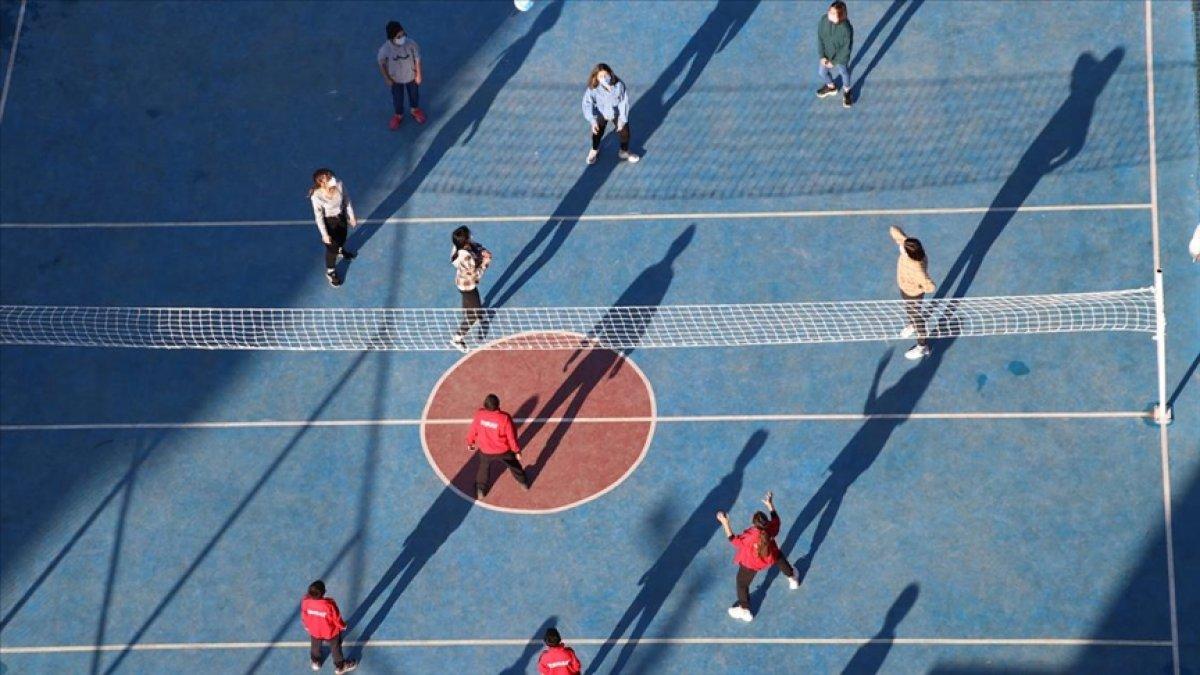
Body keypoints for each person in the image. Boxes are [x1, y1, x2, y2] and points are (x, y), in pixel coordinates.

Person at [716, 491, 800, 622]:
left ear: (754, 523)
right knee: (778, 556)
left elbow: (733, 540)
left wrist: (725, 523)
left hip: (752, 564)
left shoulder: (750, 535)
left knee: (742, 583)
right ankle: (792, 578)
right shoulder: (771, 528)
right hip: (769, 556)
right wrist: (770, 505)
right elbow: (777, 520)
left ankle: (744, 610)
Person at [466, 393, 529, 499]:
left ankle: (480, 490)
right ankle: (523, 483)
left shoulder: (479, 415)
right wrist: (517, 451)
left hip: (485, 450)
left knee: (483, 468)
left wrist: (470, 443)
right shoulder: (504, 418)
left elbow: (473, 430)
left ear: (485, 405)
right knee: (514, 465)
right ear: (498, 405)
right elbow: (511, 437)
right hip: (503, 451)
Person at [889, 225, 935, 360]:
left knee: (916, 316)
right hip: (904, 288)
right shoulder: (911, 248)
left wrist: (918, 288)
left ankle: (923, 346)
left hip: (913, 294)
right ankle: (912, 325)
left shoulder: (917, 269)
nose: (901, 248)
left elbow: (930, 287)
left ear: (910, 254)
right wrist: (904, 239)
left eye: (904, 248)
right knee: (910, 311)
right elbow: (893, 229)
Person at [582, 63, 640, 165]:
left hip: (616, 112)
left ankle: (624, 151)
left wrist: (622, 119)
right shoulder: (593, 88)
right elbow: (587, 103)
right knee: (597, 133)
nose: (604, 78)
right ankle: (594, 149)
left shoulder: (619, 85)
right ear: (596, 77)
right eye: (600, 76)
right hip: (601, 112)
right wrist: (592, 120)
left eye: (606, 75)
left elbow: (623, 102)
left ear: (610, 73)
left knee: (625, 133)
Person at [308, 169, 358, 287]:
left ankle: (340, 250)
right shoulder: (316, 196)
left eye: (331, 177)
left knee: (342, 238)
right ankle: (330, 272)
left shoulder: (339, 185)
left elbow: (347, 200)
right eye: (328, 178)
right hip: (328, 222)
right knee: (331, 249)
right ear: (321, 183)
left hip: (340, 217)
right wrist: (324, 234)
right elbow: (319, 217)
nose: (333, 179)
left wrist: (352, 216)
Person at [450, 226, 492, 352]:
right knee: (472, 315)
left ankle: (477, 313)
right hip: (467, 285)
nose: (472, 236)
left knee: (474, 300)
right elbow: (476, 276)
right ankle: (457, 338)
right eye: (469, 235)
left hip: (462, 282)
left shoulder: (458, 247)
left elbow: (475, 246)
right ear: (465, 240)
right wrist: (485, 262)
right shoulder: (467, 259)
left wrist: (482, 250)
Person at [300, 580, 357, 673]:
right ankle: (340, 666)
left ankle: (315, 662)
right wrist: (342, 626)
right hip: (330, 632)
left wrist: (307, 626)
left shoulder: (305, 601)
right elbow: (336, 618)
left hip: (314, 630)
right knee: (335, 647)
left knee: (315, 645)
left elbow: (304, 614)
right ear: (324, 592)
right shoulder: (329, 604)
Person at [378, 20, 425, 129]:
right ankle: (398, 115)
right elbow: (381, 63)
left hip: (411, 76)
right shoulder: (385, 50)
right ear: (391, 37)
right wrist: (387, 78)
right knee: (397, 99)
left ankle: (415, 110)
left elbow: (417, 59)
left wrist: (418, 74)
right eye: (399, 36)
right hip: (395, 80)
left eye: (403, 34)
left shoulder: (411, 44)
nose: (402, 38)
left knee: (414, 95)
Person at [816, 1, 854, 108]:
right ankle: (831, 87)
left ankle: (847, 91)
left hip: (841, 58)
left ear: (840, 17)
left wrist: (834, 62)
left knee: (844, 72)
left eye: (833, 13)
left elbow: (845, 49)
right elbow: (820, 38)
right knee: (822, 72)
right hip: (827, 53)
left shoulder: (846, 29)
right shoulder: (823, 20)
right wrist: (822, 56)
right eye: (830, 11)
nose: (829, 14)